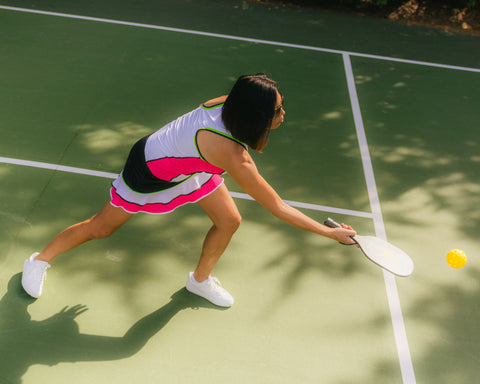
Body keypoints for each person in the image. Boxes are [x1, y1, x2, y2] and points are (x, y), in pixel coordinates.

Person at [22, 74, 356, 307]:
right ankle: (38, 261)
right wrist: (331, 235)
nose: (284, 114)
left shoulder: (234, 104)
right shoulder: (233, 155)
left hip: (191, 165)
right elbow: (278, 207)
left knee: (229, 220)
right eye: (277, 111)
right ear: (255, 116)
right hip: (150, 170)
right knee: (102, 228)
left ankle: (199, 280)